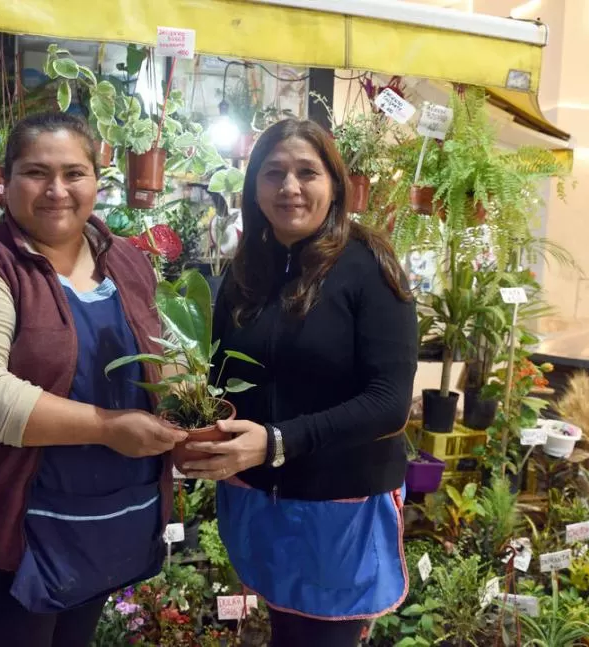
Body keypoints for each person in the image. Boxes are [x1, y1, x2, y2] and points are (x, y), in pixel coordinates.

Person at [0, 112, 186, 647]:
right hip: (12, 529)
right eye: (36, 173)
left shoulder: (128, 263)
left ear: (97, 180)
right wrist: (109, 427)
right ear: (7, 179)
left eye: (74, 173)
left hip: (106, 518)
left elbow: (165, 358)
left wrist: (187, 414)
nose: (57, 190)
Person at [181, 119, 418, 647]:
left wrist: (277, 440)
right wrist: (197, 425)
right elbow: (222, 372)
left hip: (338, 506)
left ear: (334, 184)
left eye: (307, 172)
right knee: (285, 628)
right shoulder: (248, 269)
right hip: (259, 496)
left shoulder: (370, 268)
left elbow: (388, 403)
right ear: (254, 187)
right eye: (274, 173)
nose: (290, 187)